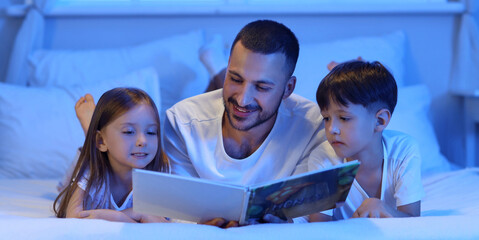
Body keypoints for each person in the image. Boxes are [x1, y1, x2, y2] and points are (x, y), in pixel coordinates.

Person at [164, 19, 325, 226]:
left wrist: (279, 226)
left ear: (288, 88)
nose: (242, 100)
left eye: (262, 87)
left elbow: (304, 216)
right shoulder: (182, 122)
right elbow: (176, 213)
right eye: (235, 79)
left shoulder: (313, 127)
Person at [308, 60, 424, 222]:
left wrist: (381, 208)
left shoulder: (403, 150)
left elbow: (413, 220)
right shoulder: (323, 158)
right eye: (326, 118)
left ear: (380, 121)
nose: (331, 128)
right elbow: (318, 228)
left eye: (344, 118)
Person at [54, 88, 170, 223]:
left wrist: (119, 216)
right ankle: (90, 135)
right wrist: (134, 216)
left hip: (102, 148)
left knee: (94, 154)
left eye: (151, 132)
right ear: (101, 141)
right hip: (76, 177)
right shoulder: (92, 171)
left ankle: (92, 136)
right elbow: (73, 217)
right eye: (129, 131)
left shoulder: (160, 170)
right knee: (86, 160)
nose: (143, 141)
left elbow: (164, 225)